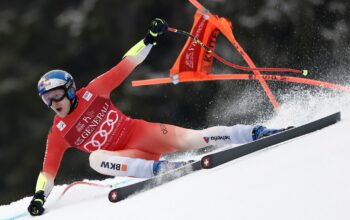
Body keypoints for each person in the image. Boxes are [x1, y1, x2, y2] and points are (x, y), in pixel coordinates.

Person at [27, 18, 286, 216]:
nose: (53, 103)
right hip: (129, 160)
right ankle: (159, 169)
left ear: (70, 90)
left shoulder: (93, 92)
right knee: (96, 158)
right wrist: (39, 197)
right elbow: (47, 173)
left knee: (194, 139)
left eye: (57, 95)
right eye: (46, 100)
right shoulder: (59, 132)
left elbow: (127, 63)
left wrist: (149, 38)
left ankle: (255, 132)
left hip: (142, 134)